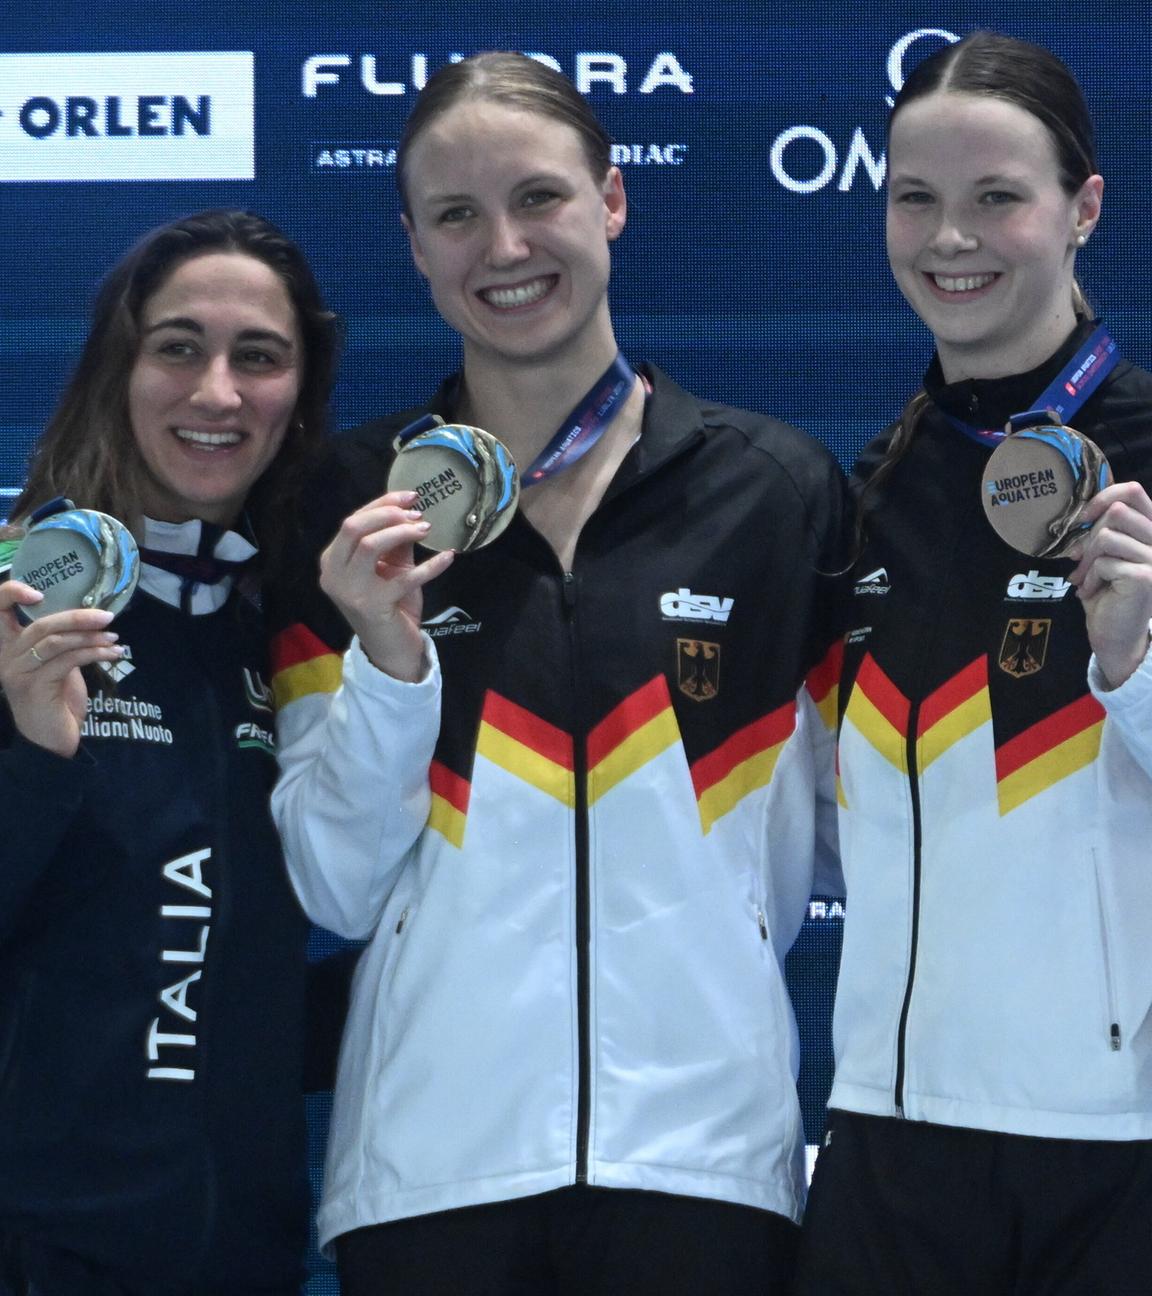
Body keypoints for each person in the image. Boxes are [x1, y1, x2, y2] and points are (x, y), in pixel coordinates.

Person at [267, 51, 849, 1296]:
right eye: (457, 215)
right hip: (432, 1175)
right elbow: (334, 883)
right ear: (414, 245)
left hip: (705, 1170)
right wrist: (384, 657)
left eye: (538, 198)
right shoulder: (351, 505)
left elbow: (862, 838)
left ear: (613, 203)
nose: (504, 246)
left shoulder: (777, 493)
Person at [793, 32, 1152, 1295]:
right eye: (917, 199)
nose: (953, 238)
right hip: (889, 1132)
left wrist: (1137, 665)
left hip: (1115, 1150)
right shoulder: (875, 485)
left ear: (1083, 207)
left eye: (997, 197)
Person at [0, 209, 341, 1295]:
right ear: (117, 368)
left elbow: (247, 983)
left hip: (245, 1254)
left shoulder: (284, 629)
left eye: (259, 357)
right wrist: (27, 760)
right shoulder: (13, 602)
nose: (218, 394)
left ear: (297, 401)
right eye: (178, 347)